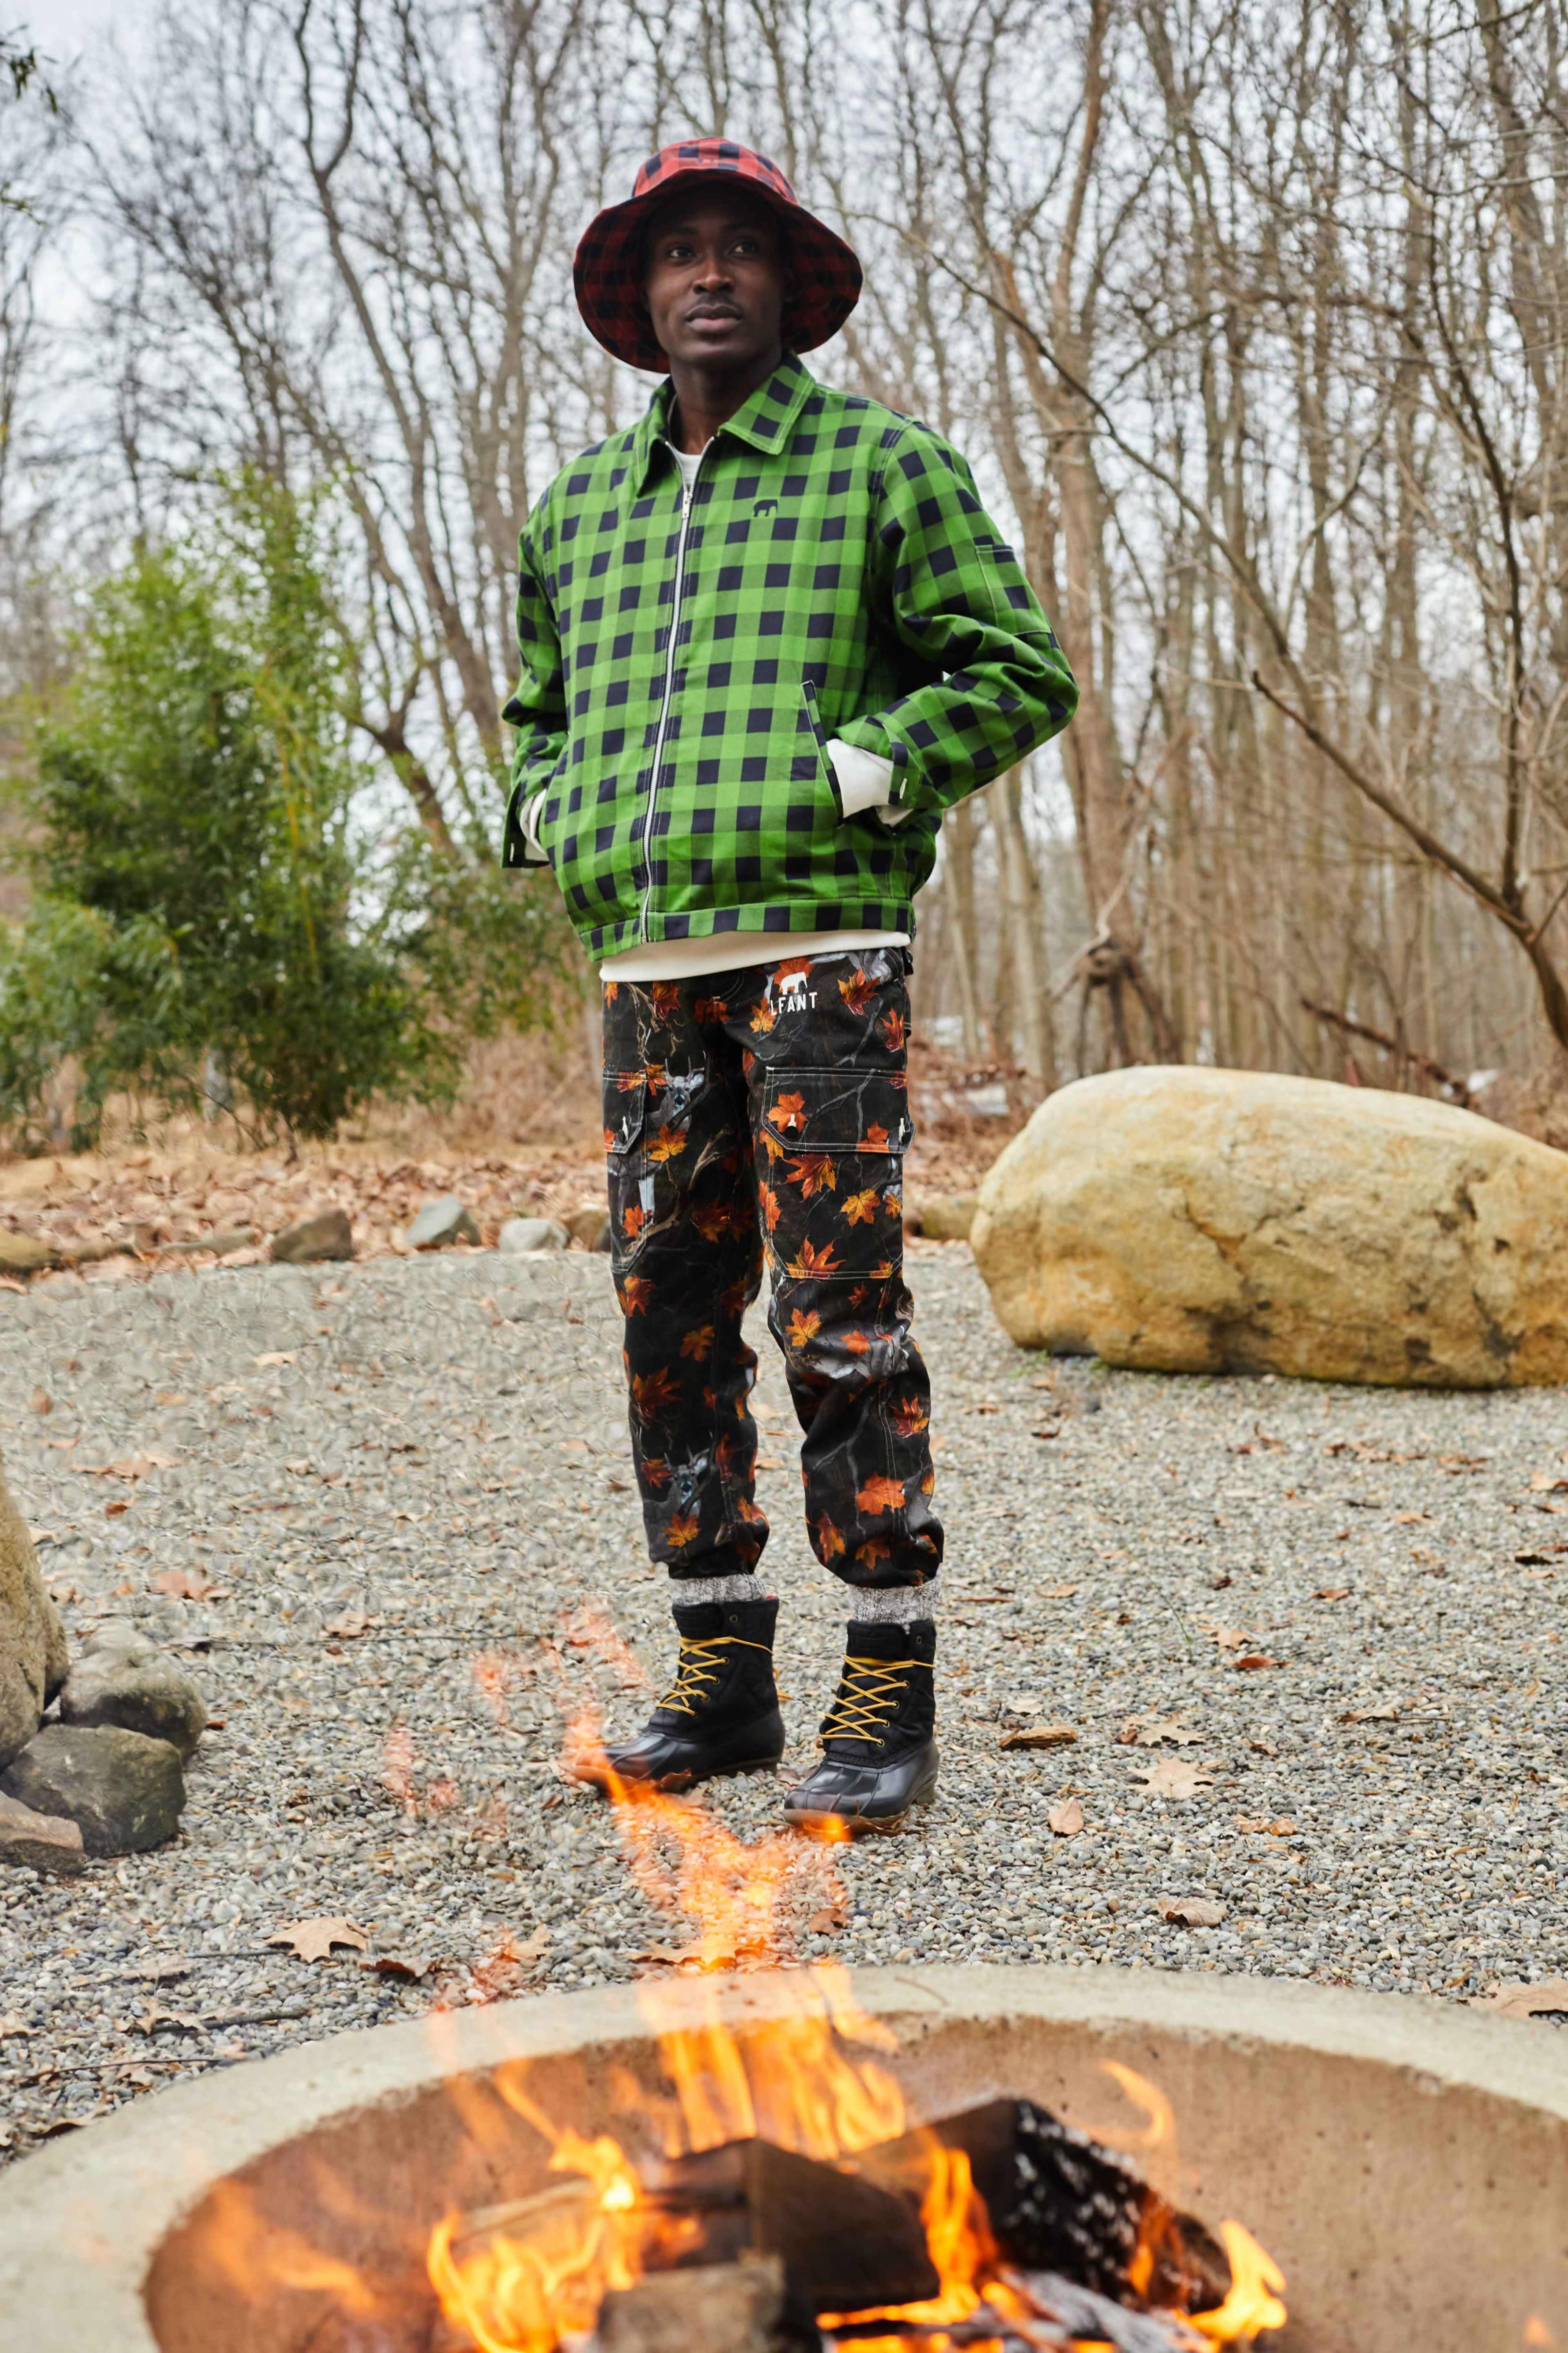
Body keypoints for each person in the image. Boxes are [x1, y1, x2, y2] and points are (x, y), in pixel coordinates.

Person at [503, 138, 1077, 1831]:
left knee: (836, 1318)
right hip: (646, 970)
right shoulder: (575, 515)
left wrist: (860, 771)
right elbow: (535, 718)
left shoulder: (882, 471)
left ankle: (886, 1680)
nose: (707, 275)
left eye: (736, 249)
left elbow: (1015, 668)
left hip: (827, 954)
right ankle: (723, 1677)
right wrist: (550, 810)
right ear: (642, 293)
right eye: (678, 251)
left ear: (783, 282)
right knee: (670, 1315)